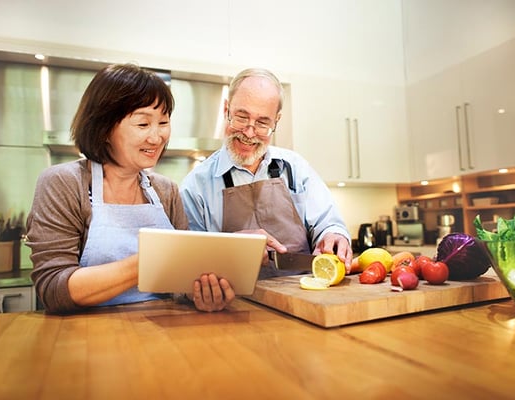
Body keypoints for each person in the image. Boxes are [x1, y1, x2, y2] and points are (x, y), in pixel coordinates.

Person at [26, 63, 233, 314]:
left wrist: (200, 293)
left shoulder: (165, 191)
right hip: (84, 339)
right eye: (143, 124)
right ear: (104, 128)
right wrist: (148, 262)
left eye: (163, 122)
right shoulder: (64, 183)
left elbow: (179, 285)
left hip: (159, 334)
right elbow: (53, 289)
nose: (157, 138)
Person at [180, 68, 352, 278]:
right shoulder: (195, 186)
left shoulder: (295, 168)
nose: (249, 133)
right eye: (242, 117)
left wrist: (333, 235)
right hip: (234, 304)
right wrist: (229, 249)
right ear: (227, 110)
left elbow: (328, 222)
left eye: (262, 123)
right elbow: (189, 263)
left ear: (276, 121)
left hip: (304, 297)